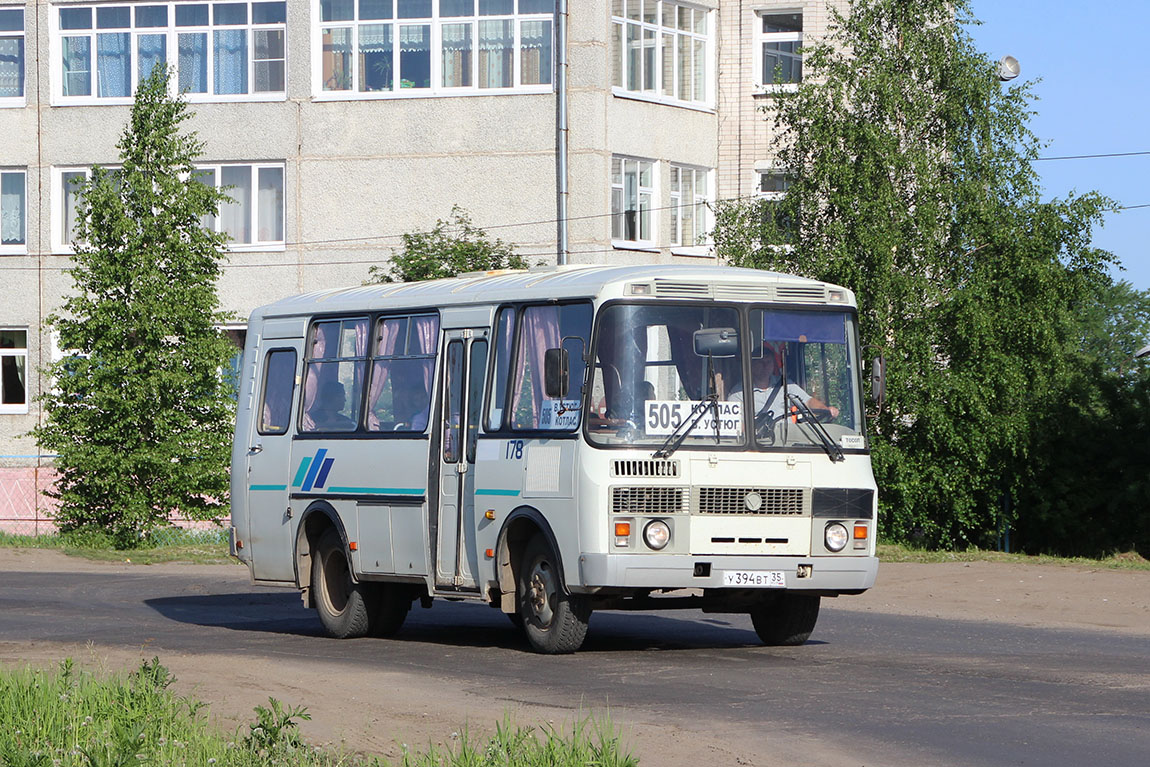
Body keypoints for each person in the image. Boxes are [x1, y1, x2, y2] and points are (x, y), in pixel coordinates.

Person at [732, 343, 839, 421]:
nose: (765, 366)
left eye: (768, 362)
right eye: (760, 362)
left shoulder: (786, 385)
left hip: (787, 442)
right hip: (759, 444)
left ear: (773, 364)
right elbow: (737, 424)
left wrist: (825, 409)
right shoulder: (738, 394)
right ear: (752, 365)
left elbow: (808, 401)